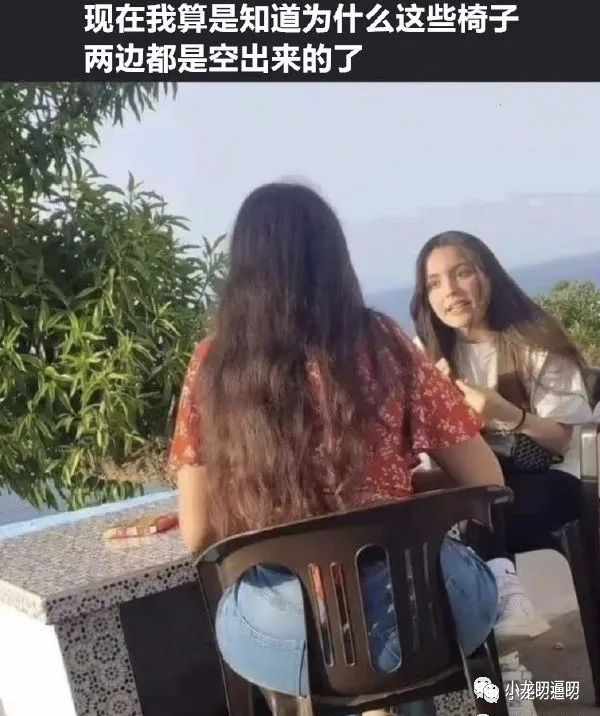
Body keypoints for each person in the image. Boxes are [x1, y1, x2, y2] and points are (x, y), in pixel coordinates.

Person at [169, 185, 505, 716]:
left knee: (284, 626)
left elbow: (199, 533)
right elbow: (485, 475)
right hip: (424, 610)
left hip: (290, 634)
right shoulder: (385, 341)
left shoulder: (214, 367)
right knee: (418, 608)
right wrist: (391, 487)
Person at [410, 230, 593, 639]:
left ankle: (500, 619)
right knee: (443, 521)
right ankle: (499, 643)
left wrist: (503, 412)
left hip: (550, 481)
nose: (450, 291)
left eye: (462, 273)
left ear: (488, 276)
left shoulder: (535, 341)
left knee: (475, 509)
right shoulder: (426, 356)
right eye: (434, 283)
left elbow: (562, 440)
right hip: (476, 490)